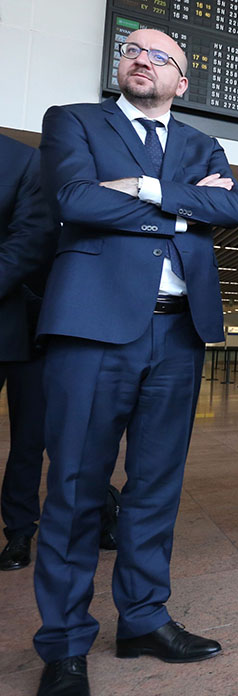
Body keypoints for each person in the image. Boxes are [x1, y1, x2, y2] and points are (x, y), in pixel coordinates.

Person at [33, 28, 238, 696]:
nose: (140, 59)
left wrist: (145, 187)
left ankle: (144, 620)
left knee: (156, 486)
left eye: (159, 57)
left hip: (177, 335)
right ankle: (65, 645)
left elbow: (234, 205)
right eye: (132, 49)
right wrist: (182, 211)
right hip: (95, 330)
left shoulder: (199, 144)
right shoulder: (74, 122)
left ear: (181, 82)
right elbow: (75, 200)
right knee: (76, 487)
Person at [0, 134, 56, 572]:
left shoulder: (21, 160)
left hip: (24, 329)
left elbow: (27, 243)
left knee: (31, 439)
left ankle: (19, 532)